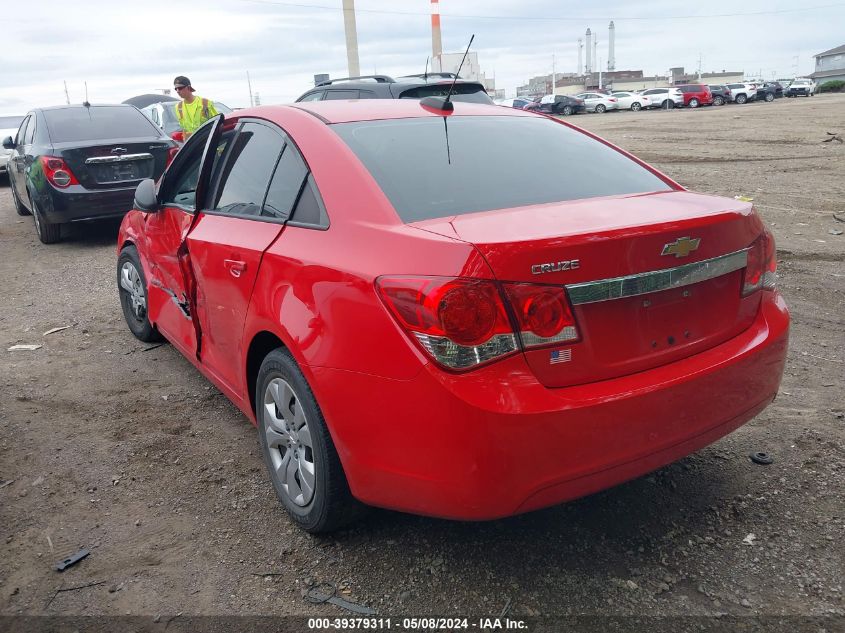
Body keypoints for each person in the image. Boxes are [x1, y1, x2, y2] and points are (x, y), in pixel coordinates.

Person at [173, 76, 218, 140]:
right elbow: (184, 129)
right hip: (193, 146)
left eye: (180, 88)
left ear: (188, 87)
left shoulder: (205, 103)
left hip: (207, 143)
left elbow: (217, 123)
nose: (177, 91)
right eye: (176, 89)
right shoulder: (178, 107)